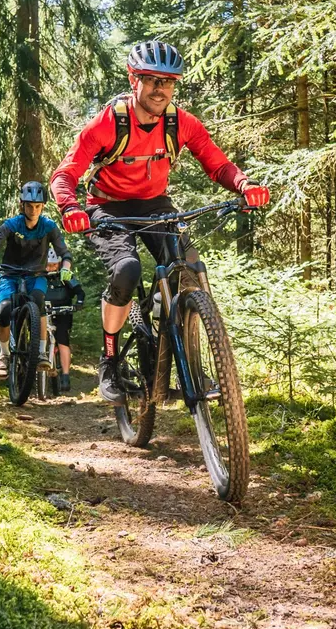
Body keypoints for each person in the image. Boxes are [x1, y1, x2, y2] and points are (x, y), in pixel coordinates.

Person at [49, 40, 270, 404]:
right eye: (151, 79)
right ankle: (110, 361)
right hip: (108, 206)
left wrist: (244, 185)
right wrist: (70, 207)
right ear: (133, 80)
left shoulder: (181, 123)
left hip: (155, 205)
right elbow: (65, 174)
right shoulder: (108, 123)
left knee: (188, 262)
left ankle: (183, 349)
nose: (160, 88)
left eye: (167, 81)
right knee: (127, 270)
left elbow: (217, 164)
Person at [0, 181, 73, 381]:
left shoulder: (49, 227)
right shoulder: (13, 224)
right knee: (4, 310)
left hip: (36, 276)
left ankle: (41, 352)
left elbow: (65, 252)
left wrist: (65, 268)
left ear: (43, 206)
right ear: (22, 205)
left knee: (38, 300)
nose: (33, 210)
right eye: (29, 206)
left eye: (37, 206)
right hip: (10, 274)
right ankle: (4, 355)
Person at [44, 245, 86, 392]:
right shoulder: (39, 277)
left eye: (54, 264)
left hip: (63, 312)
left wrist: (79, 303)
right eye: (48, 265)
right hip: (44, 311)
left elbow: (79, 292)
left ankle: (66, 376)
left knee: (63, 341)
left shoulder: (65, 275)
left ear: (59, 263)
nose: (51, 268)